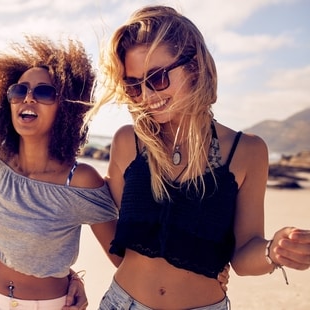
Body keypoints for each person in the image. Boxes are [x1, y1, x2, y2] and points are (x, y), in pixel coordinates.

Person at [88, 5, 310, 309]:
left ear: (193, 66)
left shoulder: (246, 151)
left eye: (157, 77)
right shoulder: (129, 142)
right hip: (121, 303)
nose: (147, 96)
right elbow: (108, 224)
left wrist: (274, 250)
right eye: (133, 85)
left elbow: (244, 254)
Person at [0, 36, 121, 310]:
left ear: (66, 107)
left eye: (43, 92)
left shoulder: (80, 181)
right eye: (19, 90)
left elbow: (124, 259)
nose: (28, 97)